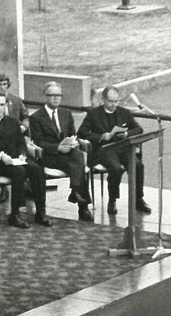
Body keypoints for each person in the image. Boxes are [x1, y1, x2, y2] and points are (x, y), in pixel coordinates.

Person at [0, 93, 50, 228]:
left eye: (2, 105)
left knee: (37, 170)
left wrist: (22, 154)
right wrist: (0, 155)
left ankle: (41, 212)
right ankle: (15, 214)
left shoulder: (13, 122)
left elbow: (21, 143)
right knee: (19, 172)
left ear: (5, 106)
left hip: (16, 160)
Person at [78, 85, 152, 216]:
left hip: (122, 148)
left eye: (116, 101)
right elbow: (81, 133)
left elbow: (138, 129)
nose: (114, 105)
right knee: (116, 168)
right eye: (111, 101)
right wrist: (101, 136)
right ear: (104, 100)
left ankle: (138, 199)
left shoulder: (124, 112)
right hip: (104, 150)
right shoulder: (93, 113)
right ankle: (112, 200)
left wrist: (127, 134)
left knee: (138, 166)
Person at [29, 81, 93, 222]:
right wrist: (57, 148)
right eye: (51, 95)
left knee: (77, 155)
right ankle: (82, 205)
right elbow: (38, 141)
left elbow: (72, 134)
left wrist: (72, 143)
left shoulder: (66, 113)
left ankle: (76, 192)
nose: (55, 98)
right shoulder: (36, 117)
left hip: (69, 153)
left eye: (58, 95)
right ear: (45, 96)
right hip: (50, 155)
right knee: (78, 162)